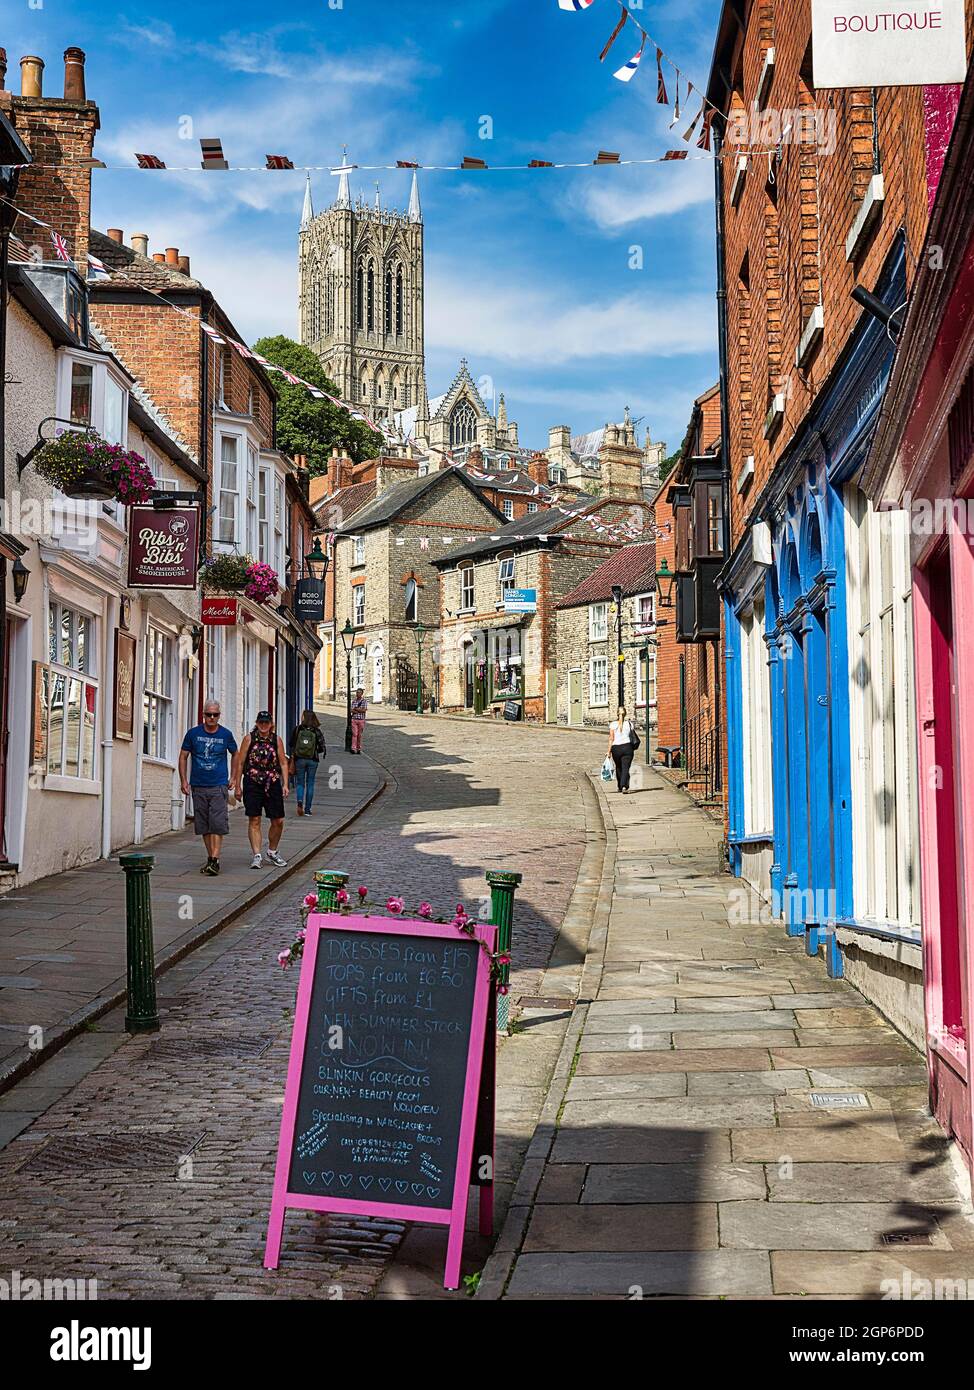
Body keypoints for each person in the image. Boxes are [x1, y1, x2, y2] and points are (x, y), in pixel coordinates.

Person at [179, 701, 238, 875]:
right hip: (198, 784)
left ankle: (215, 859)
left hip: (218, 784)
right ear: (203, 715)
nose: (212, 718)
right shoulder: (193, 734)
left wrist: (233, 777)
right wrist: (183, 780)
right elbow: (183, 756)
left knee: (217, 824)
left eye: (215, 715)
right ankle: (211, 858)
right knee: (204, 825)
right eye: (208, 715)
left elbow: (236, 754)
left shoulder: (226, 734)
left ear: (219, 715)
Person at [235, 711, 289, 869]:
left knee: (278, 820)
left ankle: (272, 851)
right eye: (261, 722)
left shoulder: (276, 740)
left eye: (266, 722)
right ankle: (257, 855)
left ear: (271, 724)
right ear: (257, 723)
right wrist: (238, 785)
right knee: (255, 819)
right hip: (252, 783)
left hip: (272, 783)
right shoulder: (249, 739)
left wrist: (285, 784)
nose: (264, 725)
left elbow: (283, 763)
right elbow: (240, 763)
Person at [288, 709, 326, 816]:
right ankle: (308, 809)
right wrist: (313, 750)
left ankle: (300, 802)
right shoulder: (316, 731)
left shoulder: (298, 729)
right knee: (310, 783)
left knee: (300, 783)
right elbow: (322, 747)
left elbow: (291, 743)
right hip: (313, 760)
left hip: (299, 759)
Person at [606, 705, 636, 794]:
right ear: (625, 714)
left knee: (618, 767)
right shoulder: (630, 724)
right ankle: (623, 786)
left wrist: (609, 751)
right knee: (625, 768)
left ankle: (620, 786)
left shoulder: (613, 725)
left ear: (617, 713)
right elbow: (631, 736)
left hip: (616, 749)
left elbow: (611, 738)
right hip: (627, 748)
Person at [350, 687, 368, 754]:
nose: (357, 694)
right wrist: (358, 709)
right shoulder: (354, 701)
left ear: (362, 694)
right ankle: (353, 748)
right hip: (354, 719)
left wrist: (356, 709)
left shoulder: (364, 701)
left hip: (361, 720)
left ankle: (358, 748)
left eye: (359, 693)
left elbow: (364, 710)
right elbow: (351, 710)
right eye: (357, 692)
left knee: (359, 735)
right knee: (354, 734)